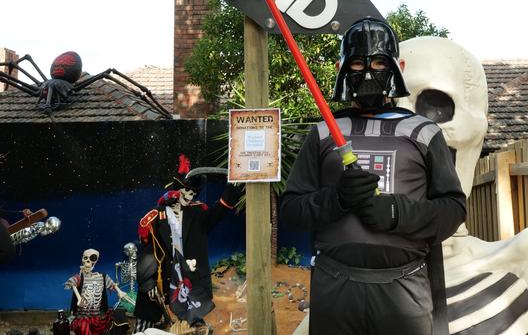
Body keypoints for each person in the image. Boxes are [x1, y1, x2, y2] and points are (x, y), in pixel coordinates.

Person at [280, 17, 466, 335]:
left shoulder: (424, 132)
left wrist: (396, 211)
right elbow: (291, 210)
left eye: (379, 61)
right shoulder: (324, 132)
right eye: (356, 64)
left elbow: (453, 209)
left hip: (405, 288)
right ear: (341, 66)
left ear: (399, 65)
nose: (367, 73)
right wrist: (335, 199)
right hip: (336, 289)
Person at [133, 155, 243, 331]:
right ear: (177, 190)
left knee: (192, 323)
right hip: (163, 277)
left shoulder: (198, 212)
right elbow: (148, 251)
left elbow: (219, 210)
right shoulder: (156, 216)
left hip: (190, 277)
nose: (190, 196)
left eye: (193, 193)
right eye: (187, 192)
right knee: (146, 322)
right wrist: (147, 282)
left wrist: (232, 189)